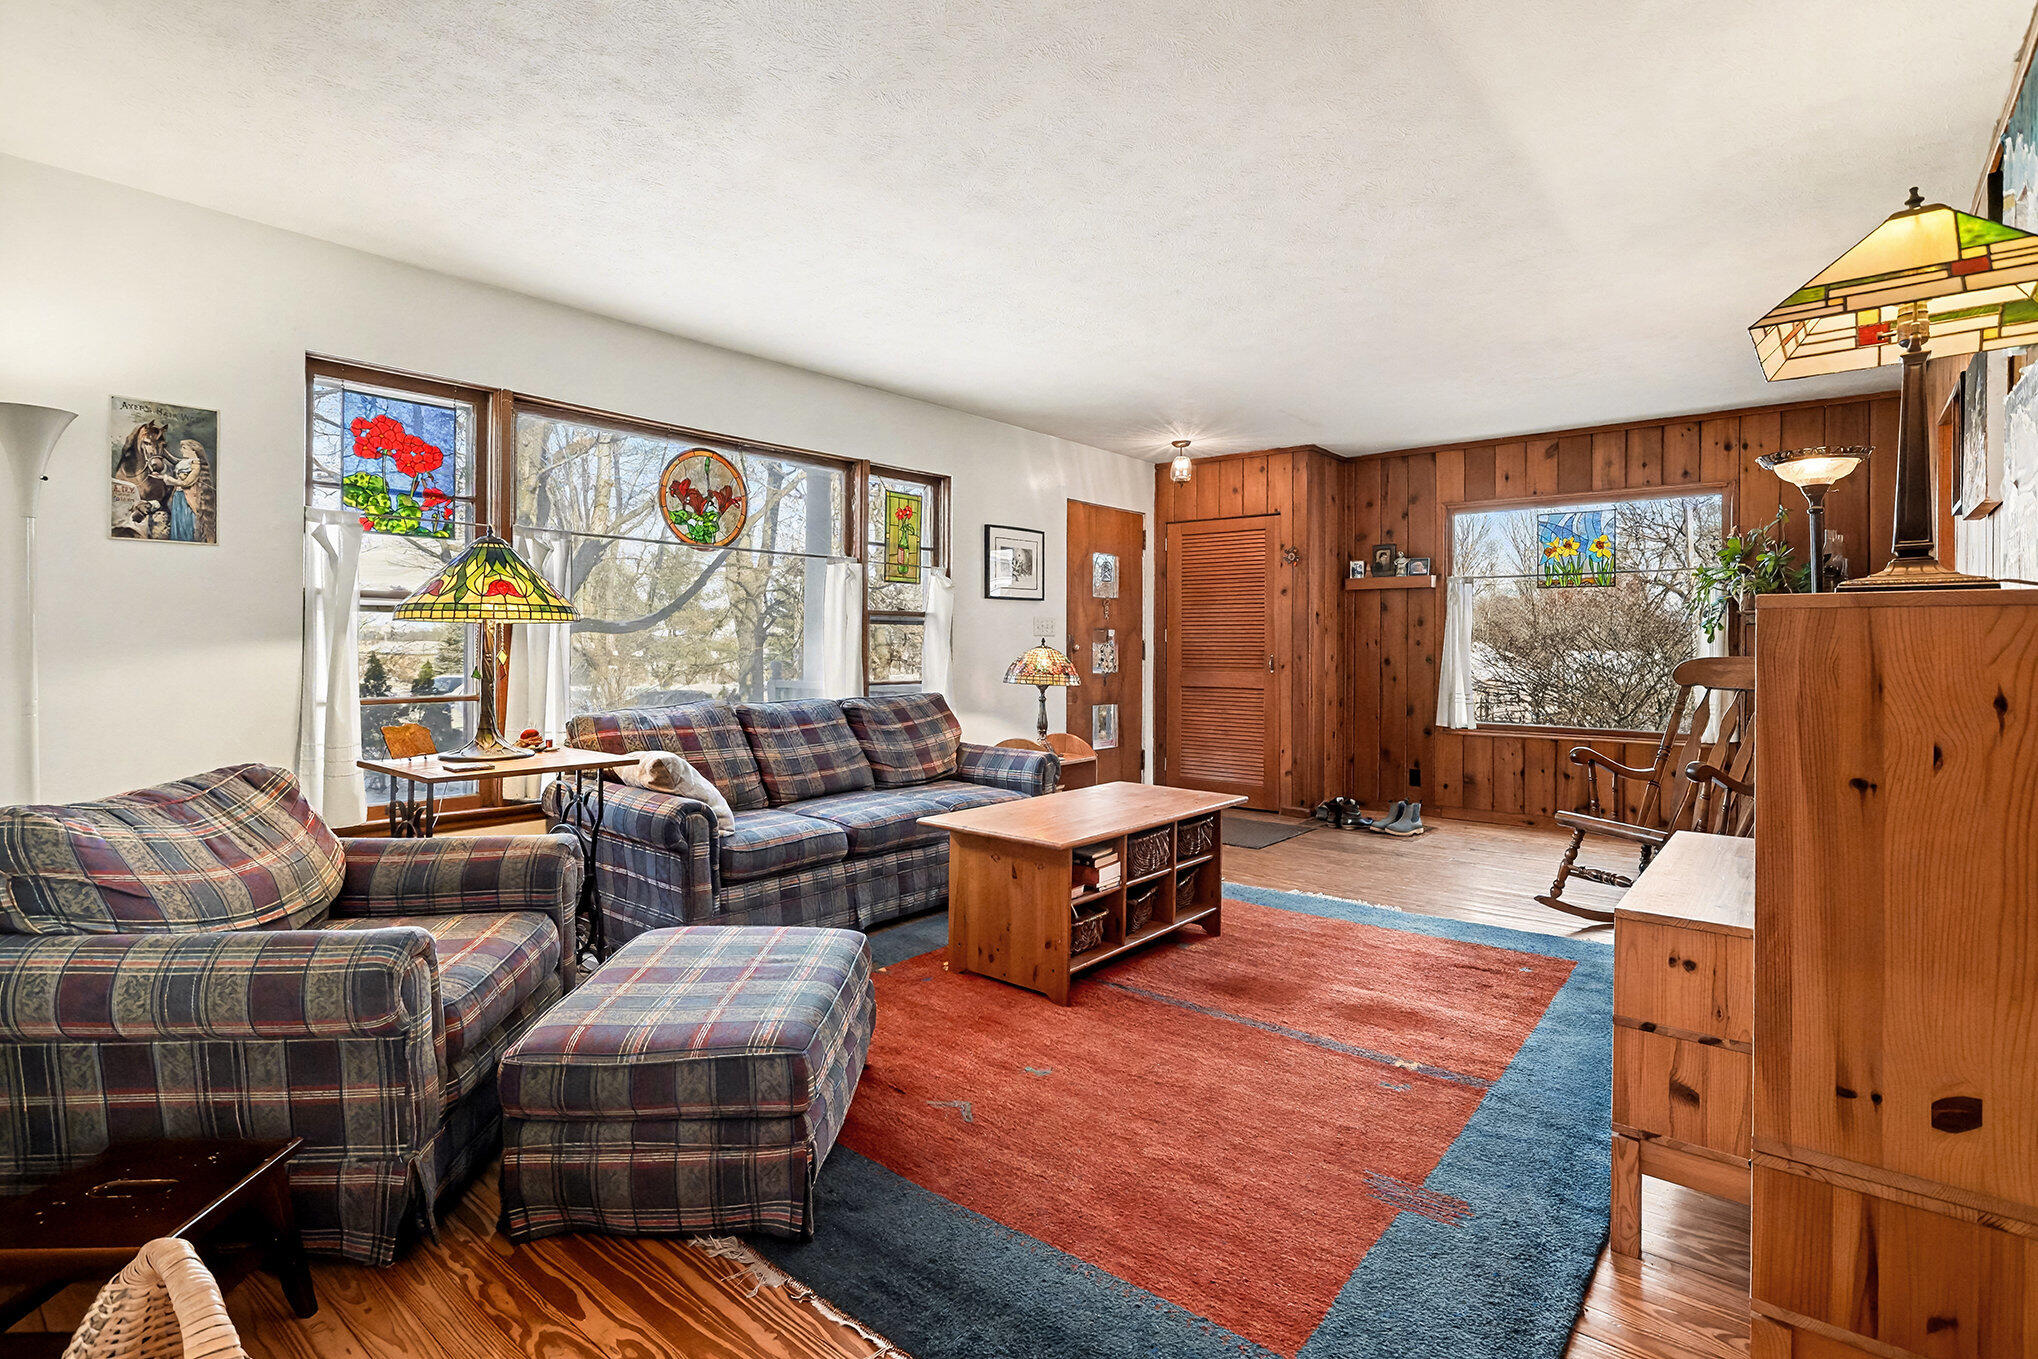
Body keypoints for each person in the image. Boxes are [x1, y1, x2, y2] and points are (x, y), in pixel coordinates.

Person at [162, 439, 207, 542]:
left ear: (194, 450)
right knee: (177, 524)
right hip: (178, 496)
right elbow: (174, 461)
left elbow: (186, 483)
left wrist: (169, 479)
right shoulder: (184, 462)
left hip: (187, 498)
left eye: (184, 448)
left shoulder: (196, 464)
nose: (181, 450)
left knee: (186, 523)